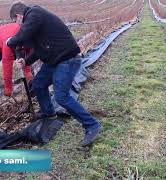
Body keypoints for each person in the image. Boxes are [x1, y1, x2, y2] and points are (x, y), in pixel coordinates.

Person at [6, 2, 102, 146]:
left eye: (16, 21)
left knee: (61, 97)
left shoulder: (35, 13)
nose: (18, 24)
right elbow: (39, 50)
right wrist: (25, 61)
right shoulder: (36, 25)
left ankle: (92, 125)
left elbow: (22, 34)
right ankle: (49, 113)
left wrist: (10, 41)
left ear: (19, 16)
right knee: (38, 84)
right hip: (55, 61)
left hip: (67, 60)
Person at [0, 23, 33, 109]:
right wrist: (8, 87)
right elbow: (7, 65)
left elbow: (28, 54)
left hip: (6, 40)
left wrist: (28, 72)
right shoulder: (9, 43)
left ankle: (32, 90)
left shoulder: (26, 35)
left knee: (28, 66)